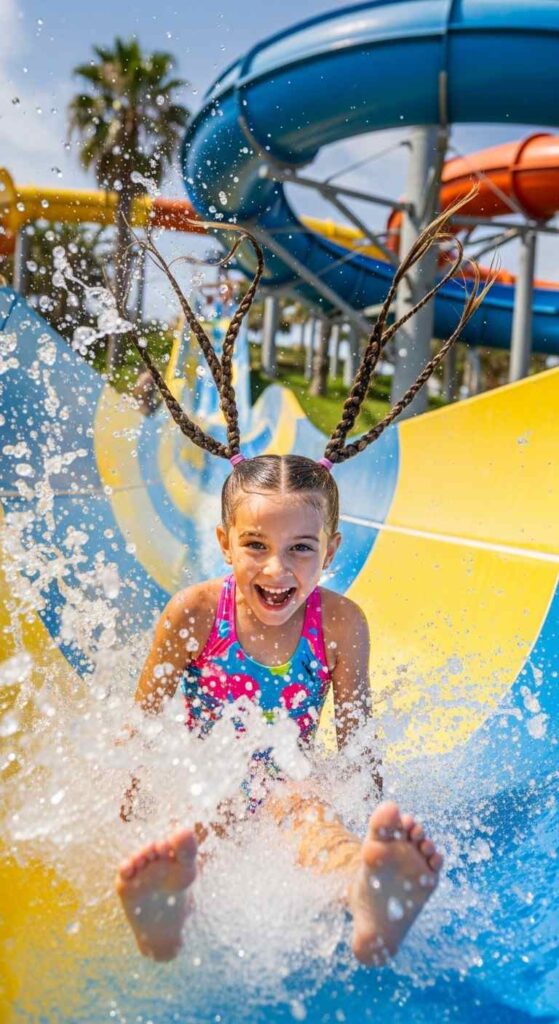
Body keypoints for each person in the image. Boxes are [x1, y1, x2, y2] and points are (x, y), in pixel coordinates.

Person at [114, 198, 493, 967]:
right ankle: (164, 911)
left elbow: (355, 741)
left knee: (308, 813)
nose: (275, 569)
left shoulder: (340, 623)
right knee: (196, 819)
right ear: (223, 543)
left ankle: (365, 895)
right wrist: (128, 814)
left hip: (285, 775)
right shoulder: (196, 612)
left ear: (331, 550)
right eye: (254, 545)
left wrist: (371, 818)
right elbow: (142, 724)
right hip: (204, 774)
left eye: (299, 549)